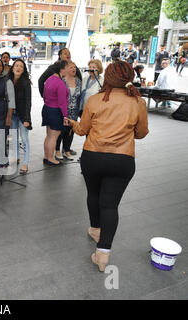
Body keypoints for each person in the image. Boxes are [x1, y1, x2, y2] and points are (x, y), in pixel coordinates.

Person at [64, 60, 149, 272]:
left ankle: (95, 229)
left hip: (93, 157)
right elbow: (141, 133)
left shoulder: (95, 100)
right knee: (110, 205)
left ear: (108, 77)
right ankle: (103, 254)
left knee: (93, 193)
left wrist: (72, 123)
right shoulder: (138, 102)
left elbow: (82, 130)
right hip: (122, 160)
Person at [41, 60, 70, 166]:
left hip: (47, 108)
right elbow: (62, 103)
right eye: (67, 67)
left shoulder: (49, 79)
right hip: (55, 111)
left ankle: (46, 156)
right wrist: (65, 116)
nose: (69, 69)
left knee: (49, 135)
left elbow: (44, 95)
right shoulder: (60, 83)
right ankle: (50, 158)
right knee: (53, 136)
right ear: (62, 69)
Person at [8, 59, 32, 174]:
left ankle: (25, 163)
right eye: (16, 66)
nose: (18, 68)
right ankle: (16, 156)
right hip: (12, 115)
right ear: (12, 68)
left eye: (21, 67)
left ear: (23, 70)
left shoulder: (26, 82)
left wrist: (27, 119)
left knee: (24, 138)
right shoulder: (8, 81)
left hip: (23, 115)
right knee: (14, 137)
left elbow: (28, 102)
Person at [55, 61, 81, 162]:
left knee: (70, 131)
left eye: (74, 67)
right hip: (63, 110)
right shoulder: (61, 80)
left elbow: (79, 97)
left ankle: (66, 150)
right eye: (71, 67)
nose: (73, 69)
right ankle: (57, 150)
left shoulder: (78, 81)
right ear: (66, 69)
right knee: (61, 131)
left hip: (74, 110)